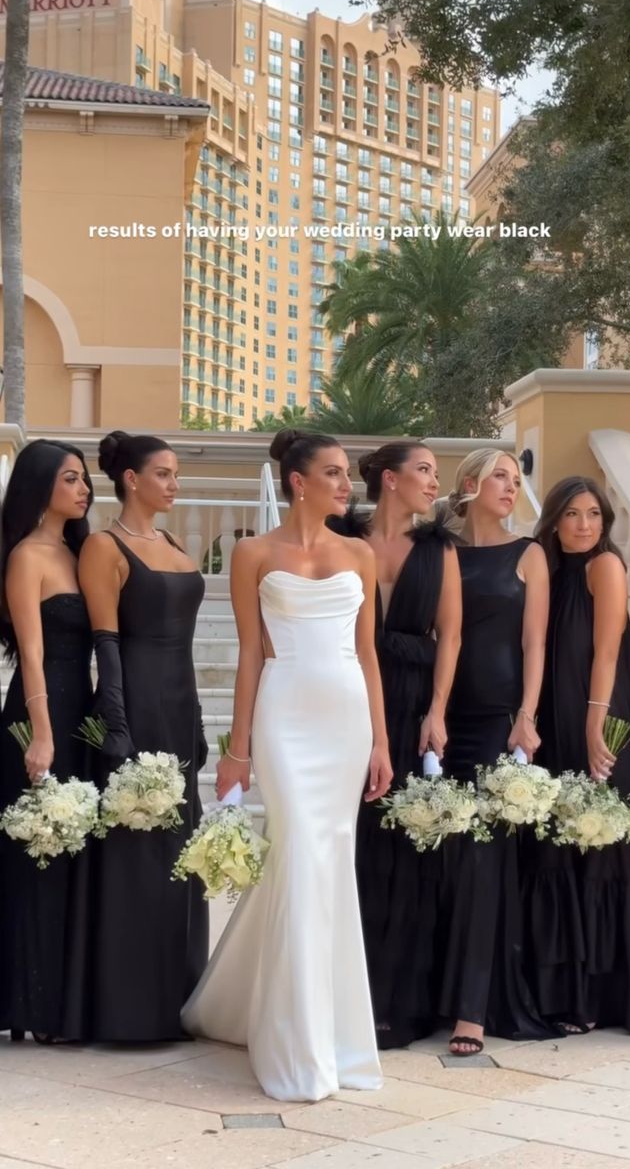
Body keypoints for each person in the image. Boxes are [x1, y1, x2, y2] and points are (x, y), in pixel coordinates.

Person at [182, 429, 393, 1102]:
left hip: (346, 718)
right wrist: (237, 749)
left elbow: (368, 656)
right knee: (300, 855)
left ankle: (329, 1036)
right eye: (333, 473)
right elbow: (250, 653)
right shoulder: (252, 552)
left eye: (346, 474)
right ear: (298, 481)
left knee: (324, 867)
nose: (345, 484)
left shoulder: (361, 554)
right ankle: (297, 1048)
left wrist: (382, 744)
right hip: (283, 716)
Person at [329, 441, 462, 1048]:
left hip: (411, 705)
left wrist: (436, 710)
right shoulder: (340, 534)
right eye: (425, 471)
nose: (436, 483)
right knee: (349, 843)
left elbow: (451, 634)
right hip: (344, 695)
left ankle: (400, 1002)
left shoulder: (439, 549)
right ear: (390, 479)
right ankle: (339, 994)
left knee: (405, 852)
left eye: (437, 473)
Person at [78, 430, 208, 1041]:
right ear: (131, 479)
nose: (173, 484)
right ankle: (132, 1009)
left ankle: (179, 995)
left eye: (175, 474)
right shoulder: (104, 546)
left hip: (181, 706)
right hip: (138, 708)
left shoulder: (173, 541)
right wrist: (119, 726)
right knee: (139, 853)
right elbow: (106, 643)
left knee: (182, 855)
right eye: (163, 473)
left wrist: (201, 720)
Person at [440, 449, 551, 1055]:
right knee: (440, 857)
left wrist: (527, 717)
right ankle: (431, 989)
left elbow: (536, 643)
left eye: (517, 477)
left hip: (499, 720)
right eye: (501, 476)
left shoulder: (528, 553)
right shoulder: (442, 551)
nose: (512, 486)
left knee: (484, 863)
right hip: (440, 718)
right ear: (471, 485)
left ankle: (473, 1009)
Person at [527, 477, 630, 1035]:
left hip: (600, 713)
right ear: (552, 519)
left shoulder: (605, 567)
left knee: (601, 843)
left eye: (594, 514)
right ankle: (567, 994)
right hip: (555, 715)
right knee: (563, 843)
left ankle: (601, 998)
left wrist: (594, 723)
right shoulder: (547, 569)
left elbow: (608, 652)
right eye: (572, 514)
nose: (585, 525)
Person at [0, 440, 94, 1042]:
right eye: (70, 479)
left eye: (85, 479)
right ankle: (24, 1006)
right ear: (41, 486)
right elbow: (30, 652)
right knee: (32, 852)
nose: (84, 488)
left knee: (69, 850)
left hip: (80, 709)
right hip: (39, 712)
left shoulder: (78, 550)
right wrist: (41, 732)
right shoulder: (28, 555)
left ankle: (57, 1000)